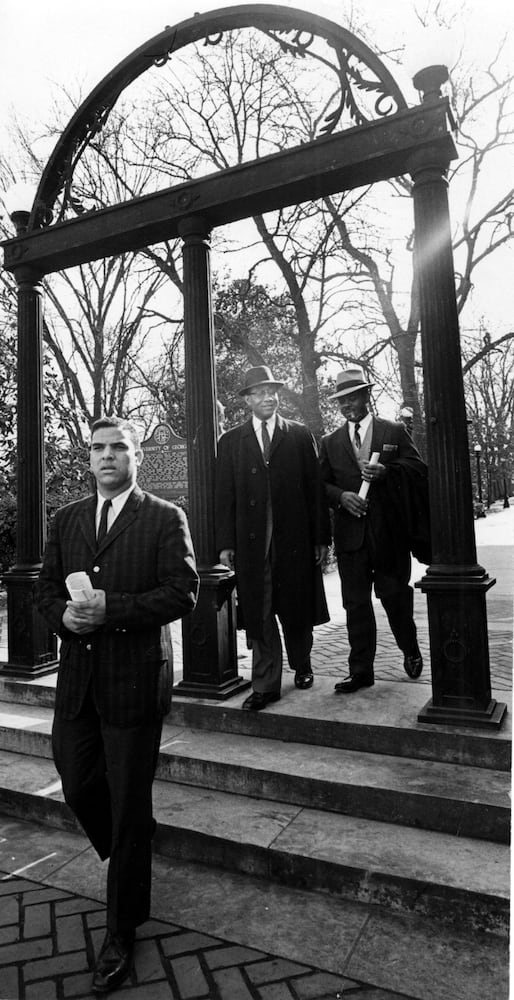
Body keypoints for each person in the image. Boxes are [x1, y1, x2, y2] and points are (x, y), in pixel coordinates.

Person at [37, 416, 199, 994]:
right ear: (89, 458)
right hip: (79, 682)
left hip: (133, 682)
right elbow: (44, 589)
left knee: (128, 806)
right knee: (78, 782)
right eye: (98, 448)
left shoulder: (164, 517)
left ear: (136, 457)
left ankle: (121, 930)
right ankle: (134, 845)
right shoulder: (66, 518)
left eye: (118, 448)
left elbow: (182, 592)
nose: (107, 456)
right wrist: (63, 616)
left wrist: (114, 609)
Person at [215, 365, 330, 711]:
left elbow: (315, 490)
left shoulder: (298, 435)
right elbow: (224, 496)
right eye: (260, 393)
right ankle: (265, 685)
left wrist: (321, 538)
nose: (268, 398)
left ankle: (302, 663)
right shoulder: (231, 442)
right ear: (248, 400)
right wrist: (226, 544)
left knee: (297, 608)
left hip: (293, 539)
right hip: (253, 546)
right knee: (260, 612)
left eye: (272, 392)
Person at [319, 366, 430, 694]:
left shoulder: (393, 431)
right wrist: (341, 497)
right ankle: (360, 672)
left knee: (395, 598)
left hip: (389, 537)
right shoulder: (330, 442)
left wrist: (387, 472)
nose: (347, 405)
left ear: (366, 395)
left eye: (352, 398)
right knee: (355, 605)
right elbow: (320, 485)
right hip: (350, 539)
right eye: (341, 401)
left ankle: (410, 649)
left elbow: (418, 469)